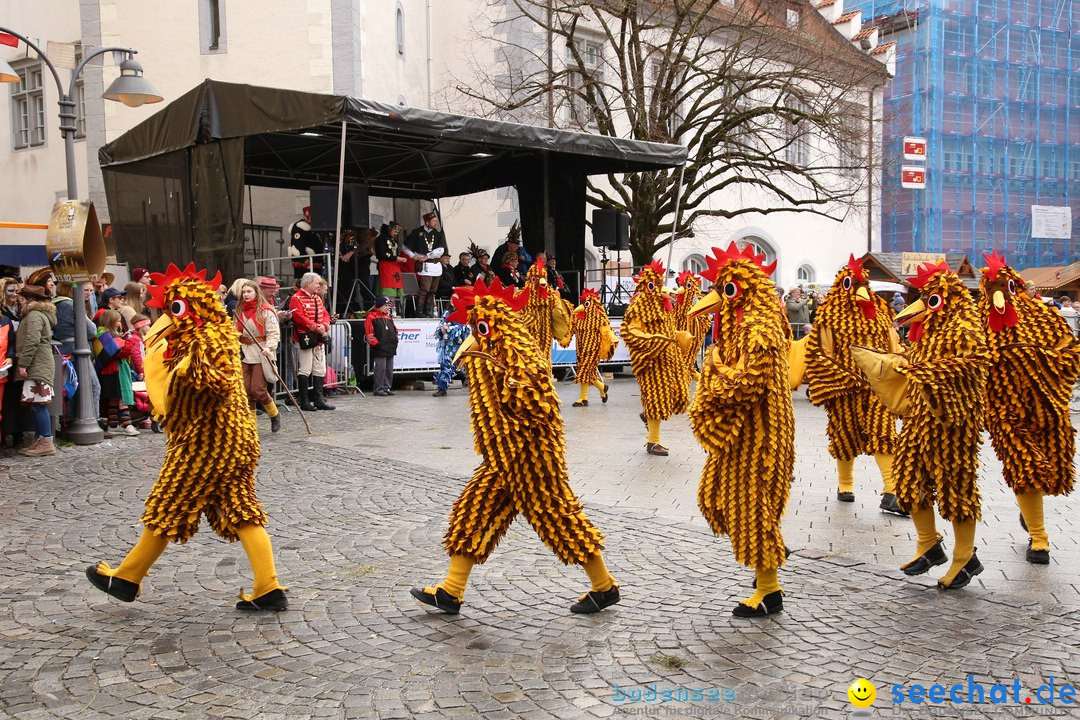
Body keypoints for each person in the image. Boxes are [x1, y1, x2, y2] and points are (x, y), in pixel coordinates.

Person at [85, 262, 287, 611]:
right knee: (241, 511)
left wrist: (183, 373)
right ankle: (268, 586)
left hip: (207, 442)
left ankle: (127, 578)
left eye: (172, 308)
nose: (166, 315)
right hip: (232, 440)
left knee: (168, 505)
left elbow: (214, 380)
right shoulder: (212, 332)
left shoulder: (207, 339)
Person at [13, 284, 58, 456]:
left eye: (22, 298)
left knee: (39, 403)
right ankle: (40, 439)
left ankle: (46, 441)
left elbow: (33, 340)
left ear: (30, 299)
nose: (20, 301)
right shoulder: (38, 314)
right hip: (38, 362)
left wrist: (24, 363)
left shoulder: (34, 315)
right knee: (35, 403)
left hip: (37, 363)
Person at [235, 279, 283, 433]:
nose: (246, 294)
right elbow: (234, 331)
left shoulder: (266, 310)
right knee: (246, 390)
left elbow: (274, 333)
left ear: (256, 292)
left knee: (257, 389)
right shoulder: (239, 311)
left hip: (262, 352)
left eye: (249, 291)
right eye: (244, 292)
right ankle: (251, 425)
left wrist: (269, 348)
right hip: (244, 352)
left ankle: (274, 414)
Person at [289, 272, 335, 412]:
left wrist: (325, 326)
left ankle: (318, 400)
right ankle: (304, 401)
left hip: (318, 339)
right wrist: (317, 327)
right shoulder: (296, 298)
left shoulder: (316, 298)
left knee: (319, 369)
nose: (318, 285)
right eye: (316, 283)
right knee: (305, 369)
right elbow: (299, 317)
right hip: (306, 339)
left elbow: (325, 314)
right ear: (308, 283)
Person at [94, 309, 138, 438]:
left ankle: (112, 425)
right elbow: (118, 351)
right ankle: (127, 424)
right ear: (111, 321)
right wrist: (127, 342)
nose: (120, 323)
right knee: (121, 398)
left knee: (114, 399)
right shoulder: (104, 334)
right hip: (113, 370)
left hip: (112, 369)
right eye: (118, 321)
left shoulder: (104, 334)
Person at [406, 212, 448, 317]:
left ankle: (428, 311)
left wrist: (428, 256)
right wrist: (413, 256)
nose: (435, 223)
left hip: (436, 265)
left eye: (436, 221)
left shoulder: (438, 234)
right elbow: (406, 247)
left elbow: (441, 250)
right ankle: (419, 312)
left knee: (433, 290)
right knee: (424, 289)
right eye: (433, 221)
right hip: (426, 266)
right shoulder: (417, 232)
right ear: (427, 222)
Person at [432, 307, 471, 397]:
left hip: (461, 346)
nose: (453, 302)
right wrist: (442, 330)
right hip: (448, 346)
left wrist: (449, 329)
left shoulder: (464, 313)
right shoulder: (447, 312)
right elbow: (441, 324)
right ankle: (442, 389)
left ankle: (475, 387)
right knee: (445, 367)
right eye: (452, 299)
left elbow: (465, 328)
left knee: (468, 367)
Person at [364, 295, 399, 396]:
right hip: (380, 348)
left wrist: (395, 341)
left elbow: (395, 330)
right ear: (379, 305)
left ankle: (386, 387)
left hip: (390, 347)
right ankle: (378, 388)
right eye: (385, 305)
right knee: (381, 368)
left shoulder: (389, 317)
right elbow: (369, 333)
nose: (388, 307)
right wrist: (376, 344)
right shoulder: (371, 317)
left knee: (389, 369)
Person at [289, 206, 327, 281]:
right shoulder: (299, 227)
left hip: (315, 264)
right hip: (306, 265)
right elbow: (297, 247)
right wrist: (306, 261)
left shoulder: (313, 228)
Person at [376, 222, 406, 305]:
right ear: (390, 229)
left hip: (395, 265)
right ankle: (386, 309)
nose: (396, 234)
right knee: (387, 289)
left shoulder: (393, 240)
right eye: (395, 231)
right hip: (386, 265)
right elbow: (381, 253)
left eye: (397, 232)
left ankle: (393, 309)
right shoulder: (381, 239)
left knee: (395, 289)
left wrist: (397, 258)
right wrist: (396, 258)